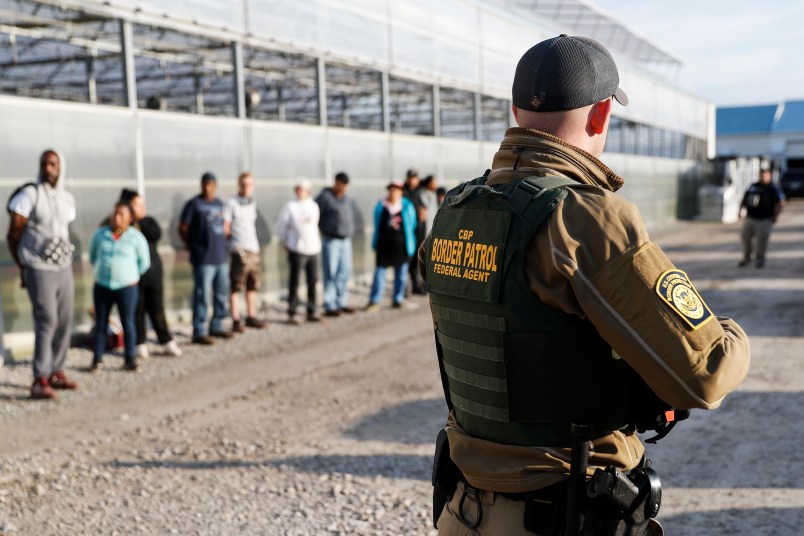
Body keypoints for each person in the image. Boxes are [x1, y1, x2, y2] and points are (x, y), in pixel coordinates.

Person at [422, 35, 751, 535]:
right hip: (559, 514)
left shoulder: (454, 211)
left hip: (461, 512)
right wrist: (730, 333)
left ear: (515, 110)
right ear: (600, 115)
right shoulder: (586, 217)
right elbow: (704, 375)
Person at [6, 149, 79, 399]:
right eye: (45, 164)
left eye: (53, 164)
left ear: (61, 167)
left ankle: (57, 371)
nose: (49, 168)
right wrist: (23, 265)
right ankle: (39, 378)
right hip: (39, 267)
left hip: (63, 266)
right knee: (47, 319)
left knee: (65, 318)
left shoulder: (66, 199)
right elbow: (14, 233)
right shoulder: (30, 195)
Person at [119, 189, 182, 358]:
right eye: (137, 205)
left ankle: (166, 340)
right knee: (137, 310)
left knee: (157, 308)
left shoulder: (148, 222)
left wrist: (140, 222)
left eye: (142, 204)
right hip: (133, 275)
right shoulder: (123, 227)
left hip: (153, 273)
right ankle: (140, 343)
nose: (141, 207)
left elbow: (156, 234)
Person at [88, 201, 150, 372]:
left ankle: (130, 358)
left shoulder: (136, 237)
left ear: (129, 218)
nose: (116, 218)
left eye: (121, 214)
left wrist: (129, 275)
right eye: (114, 214)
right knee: (101, 322)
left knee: (128, 321)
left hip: (127, 287)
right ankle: (97, 359)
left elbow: (144, 263)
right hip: (102, 286)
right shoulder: (100, 235)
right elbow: (93, 256)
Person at [179, 172, 233, 345]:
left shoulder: (219, 204)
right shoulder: (194, 204)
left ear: (215, 186)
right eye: (206, 184)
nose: (209, 187)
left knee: (222, 292)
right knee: (202, 294)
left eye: (212, 184)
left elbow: (225, 226)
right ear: (201, 185)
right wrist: (191, 244)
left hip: (220, 256)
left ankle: (217, 325)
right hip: (203, 258)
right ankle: (199, 330)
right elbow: (183, 227)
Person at [224, 172, 267, 332]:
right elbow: (226, 227)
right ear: (238, 185)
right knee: (236, 286)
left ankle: (251, 315)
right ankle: (235, 319)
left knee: (253, 285)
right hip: (239, 250)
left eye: (249, 184)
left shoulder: (252, 203)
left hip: (253, 249)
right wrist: (234, 246)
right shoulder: (231, 203)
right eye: (243, 184)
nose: (246, 187)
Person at [275, 179, 322, 324]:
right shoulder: (290, 206)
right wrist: (286, 241)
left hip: (313, 249)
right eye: (298, 189)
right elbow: (281, 226)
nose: (300, 192)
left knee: (312, 281)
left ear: (308, 191)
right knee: (294, 281)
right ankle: (292, 311)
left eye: (303, 189)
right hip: (297, 249)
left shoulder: (313, 206)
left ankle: (312, 309)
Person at [366, 181, 417, 311]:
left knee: (401, 275)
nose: (394, 191)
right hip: (384, 246)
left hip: (401, 246)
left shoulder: (406, 206)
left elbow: (412, 223)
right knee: (379, 274)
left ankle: (398, 299)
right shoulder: (381, 205)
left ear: (401, 191)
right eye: (392, 189)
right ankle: (374, 300)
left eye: (397, 189)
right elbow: (377, 223)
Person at [315, 172, 356, 317]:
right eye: (342, 184)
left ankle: (341, 302)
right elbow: (315, 215)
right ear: (336, 182)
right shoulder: (325, 197)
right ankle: (330, 304)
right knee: (330, 272)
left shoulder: (345, 199)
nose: (345, 187)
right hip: (331, 240)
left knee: (344, 271)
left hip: (345, 240)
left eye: (347, 185)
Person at [738, 168, 785, 268]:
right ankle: (746, 258)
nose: (762, 177)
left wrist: (775, 216)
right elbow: (744, 198)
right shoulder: (753, 186)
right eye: (761, 175)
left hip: (764, 220)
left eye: (764, 175)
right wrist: (740, 211)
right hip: (750, 218)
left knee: (761, 241)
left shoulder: (772, 188)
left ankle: (759, 260)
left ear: (769, 176)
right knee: (745, 238)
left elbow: (780, 203)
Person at [403, 168, 427, 295]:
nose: (414, 180)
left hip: (418, 230)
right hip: (409, 232)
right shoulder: (403, 192)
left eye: (416, 178)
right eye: (412, 178)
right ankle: (403, 287)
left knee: (415, 260)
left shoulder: (416, 191)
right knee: (407, 259)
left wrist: (423, 210)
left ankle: (415, 285)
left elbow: (421, 205)